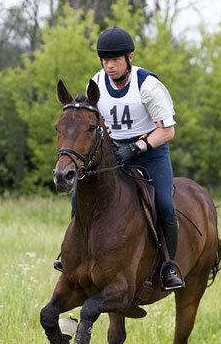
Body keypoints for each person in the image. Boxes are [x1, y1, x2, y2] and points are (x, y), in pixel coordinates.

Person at [54, 26, 184, 290]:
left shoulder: (148, 86)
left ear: (130, 58)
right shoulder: (98, 82)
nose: (109, 66)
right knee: (81, 196)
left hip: (150, 153)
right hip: (112, 153)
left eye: (115, 60)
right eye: (105, 60)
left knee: (163, 203)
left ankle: (169, 265)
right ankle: (71, 254)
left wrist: (138, 147)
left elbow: (167, 130)